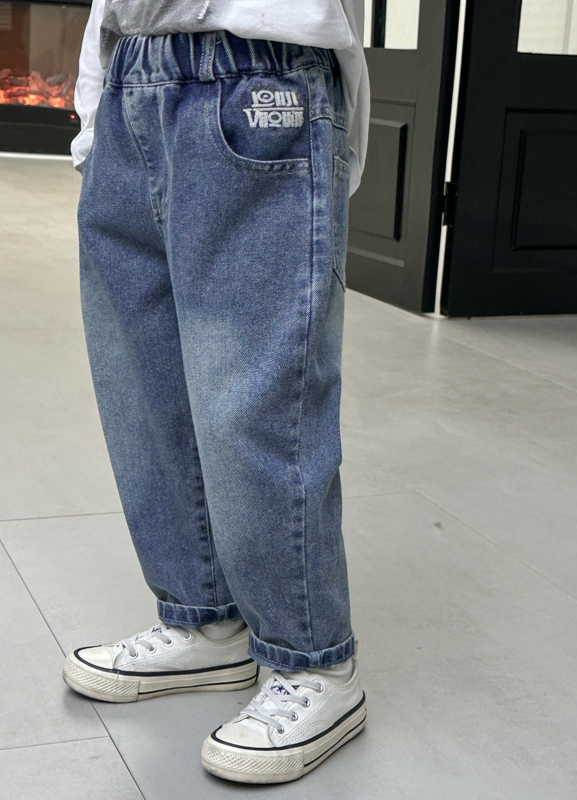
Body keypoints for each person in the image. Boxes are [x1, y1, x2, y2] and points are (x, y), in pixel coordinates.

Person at [64, 0, 370, 784]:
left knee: (255, 398)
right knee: (144, 389)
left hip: (258, 67)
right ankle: (205, 622)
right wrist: (99, 107)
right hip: (133, 72)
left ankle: (313, 661)